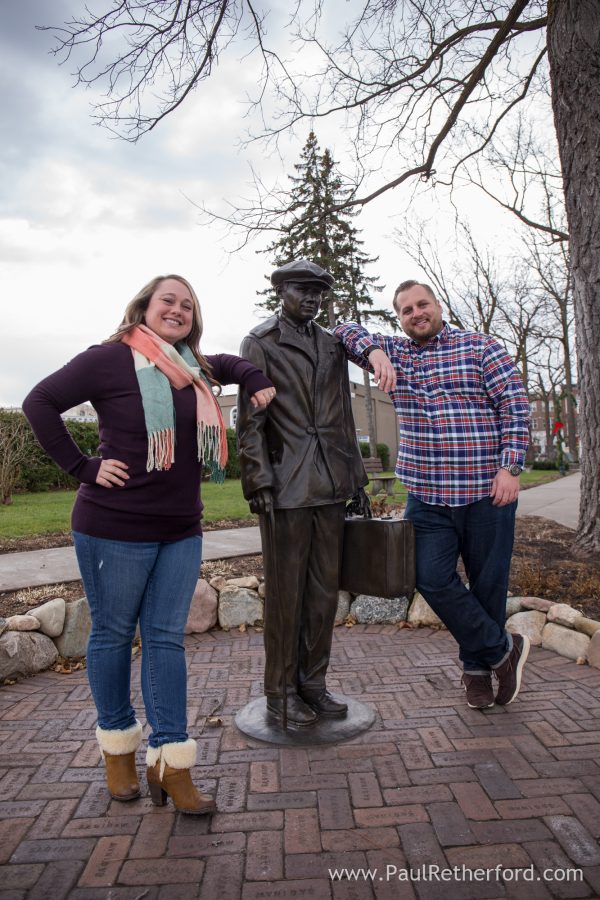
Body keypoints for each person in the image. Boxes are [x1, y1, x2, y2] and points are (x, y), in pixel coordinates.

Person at [23, 274, 275, 813]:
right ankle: (118, 750)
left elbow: (227, 364)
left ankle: (169, 762)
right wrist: (82, 466)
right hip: (112, 525)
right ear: (144, 306)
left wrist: (251, 374)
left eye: (187, 305)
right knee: (112, 636)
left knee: (166, 641)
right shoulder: (109, 358)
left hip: (180, 528)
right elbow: (39, 401)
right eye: (169, 300)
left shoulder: (191, 368)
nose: (178, 310)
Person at [334, 280, 531, 710]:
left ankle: (476, 671)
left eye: (422, 304)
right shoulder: (396, 352)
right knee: (429, 577)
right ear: (399, 318)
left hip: (486, 491)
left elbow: (515, 408)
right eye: (405, 309)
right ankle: (503, 650)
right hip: (427, 495)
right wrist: (373, 351)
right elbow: (342, 329)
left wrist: (510, 467)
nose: (415, 313)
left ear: (438, 305)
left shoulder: (481, 347)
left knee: (488, 585)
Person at [237, 260, 369, 727]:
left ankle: (313, 683)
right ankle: (280, 692)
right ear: (282, 291)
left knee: (322, 595)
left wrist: (356, 477)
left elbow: (343, 417)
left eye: (318, 291)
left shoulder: (332, 345)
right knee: (286, 596)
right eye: (302, 289)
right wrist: (258, 480)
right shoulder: (261, 342)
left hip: (331, 483)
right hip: (287, 486)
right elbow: (251, 421)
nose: (311, 298)